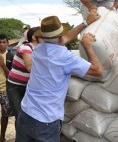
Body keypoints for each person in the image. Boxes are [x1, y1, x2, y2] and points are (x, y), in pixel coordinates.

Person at [15, 11, 102, 142]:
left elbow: (64, 39)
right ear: (60, 37)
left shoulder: (38, 49)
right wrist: (87, 46)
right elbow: (97, 71)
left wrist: (85, 23)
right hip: (46, 121)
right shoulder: (65, 57)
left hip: (26, 113)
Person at [6, 27, 40, 125]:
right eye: (42, 34)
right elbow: (29, 67)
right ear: (34, 37)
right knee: (20, 115)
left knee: (28, 115)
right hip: (15, 86)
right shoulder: (26, 47)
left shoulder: (40, 50)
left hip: (28, 86)